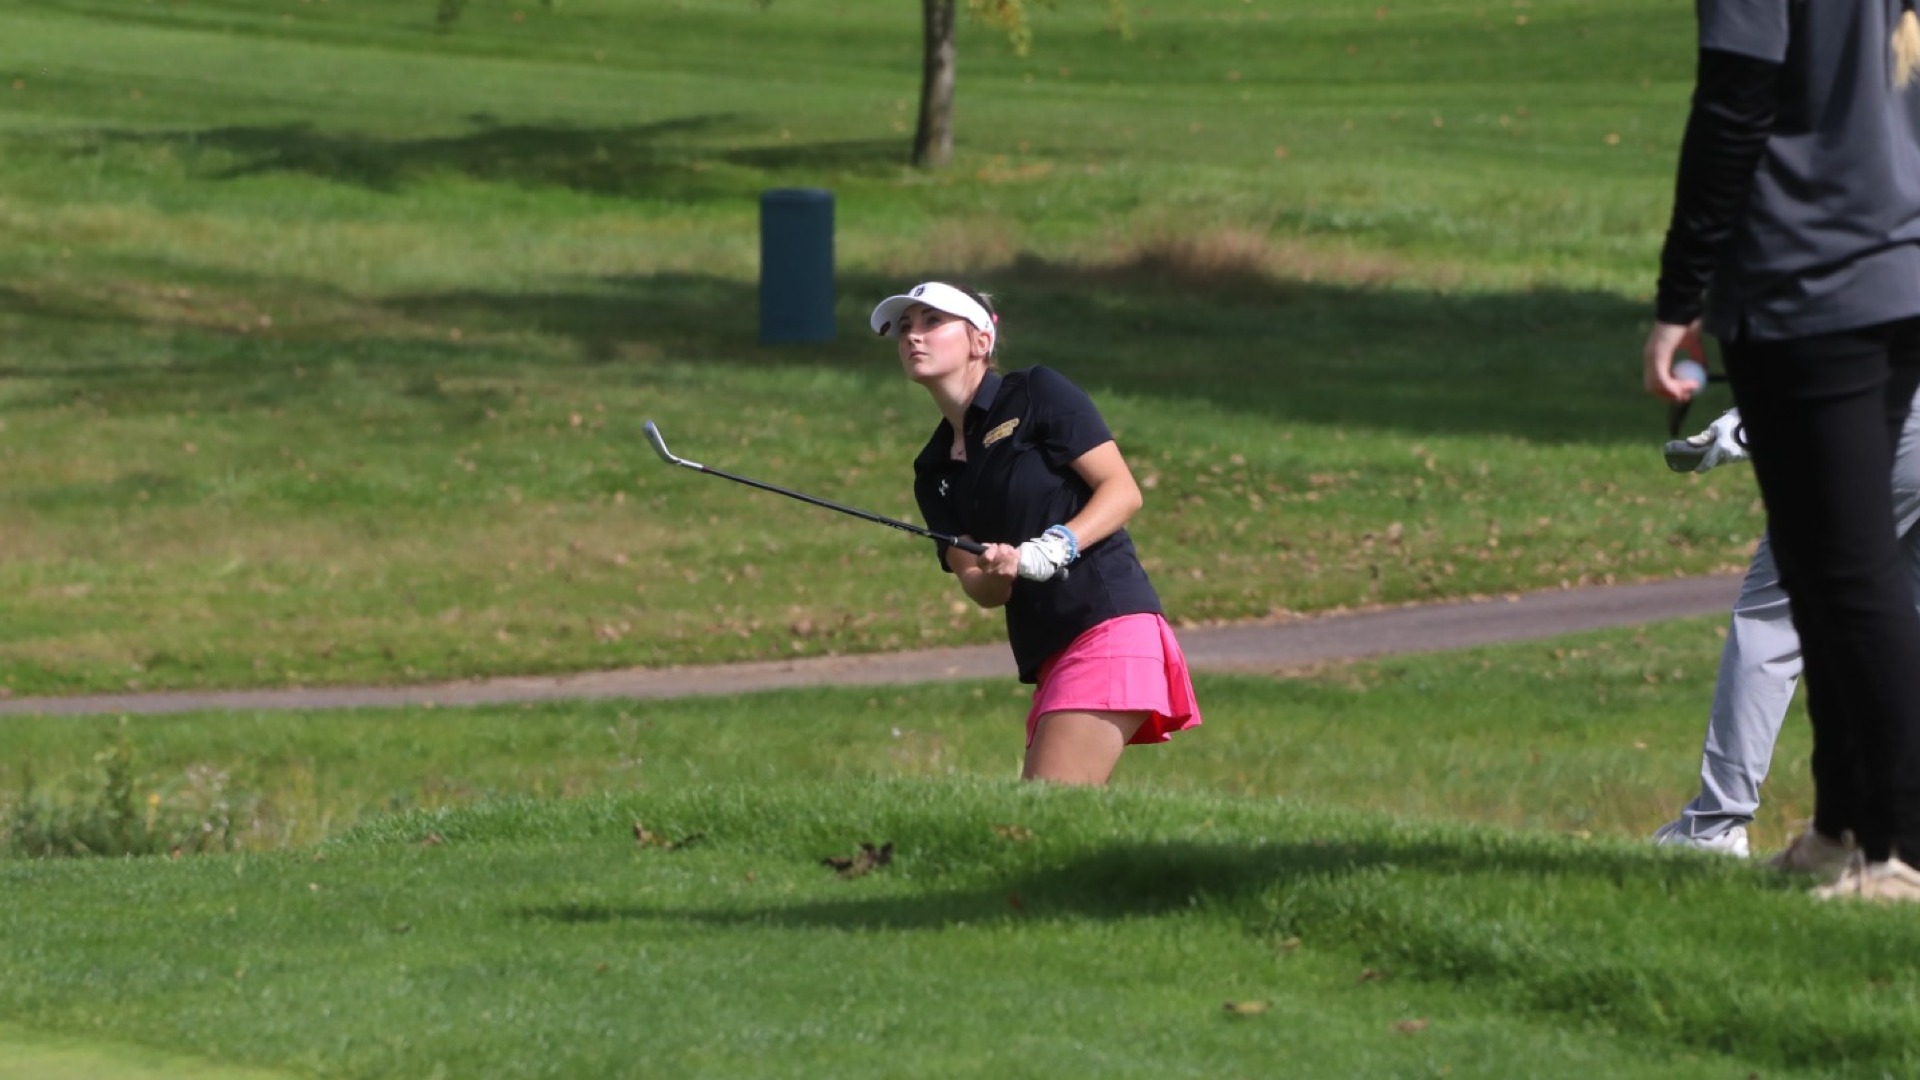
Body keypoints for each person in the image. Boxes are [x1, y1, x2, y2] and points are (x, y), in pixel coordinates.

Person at [1642, 0, 1920, 900]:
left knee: (1847, 573)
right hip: (1897, 270)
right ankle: (1842, 827)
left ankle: (1899, 851)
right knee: (1818, 565)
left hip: (1813, 278)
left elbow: (1735, 99)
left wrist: (1679, 292)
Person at [870, 281, 1201, 785]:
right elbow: (982, 590)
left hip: (1107, 624)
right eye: (906, 328)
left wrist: (1053, 547)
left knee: (1040, 812)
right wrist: (994, 569)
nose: (914, 336)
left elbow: (1121, 490)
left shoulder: (1035, 393)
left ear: (980, 341)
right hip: (1050, 652)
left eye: (933, 322)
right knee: (1051, 821)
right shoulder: (932, 468)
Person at [1652, 400, 1920, 863]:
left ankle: (1714, 830)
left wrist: (1753, 421)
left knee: (1771, 618)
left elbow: (1847, 345)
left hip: (1897, 426)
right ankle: (1899, 841)